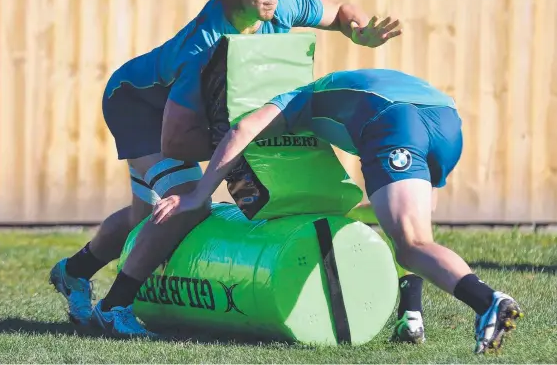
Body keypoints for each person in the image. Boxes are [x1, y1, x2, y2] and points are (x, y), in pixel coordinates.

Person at [49, 0, 404, 339]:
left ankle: (73, 273)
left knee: (143, 218)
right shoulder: (205, 47)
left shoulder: (279, 4)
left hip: (168, 113)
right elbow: (176, 143)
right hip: (138, 108)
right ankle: (115, 307)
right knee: (187, 203)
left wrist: (357, 30)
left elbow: (340, 11)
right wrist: (241, 141)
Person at [152, 68, 524, 354]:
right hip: (445, 119)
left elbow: (242, 130)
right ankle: (412, 316)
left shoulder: (296, 97)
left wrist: (200, 194)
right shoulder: (334, 86)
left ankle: (487, 301)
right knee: (416, 233)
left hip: (394, 121)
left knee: (411, 243)